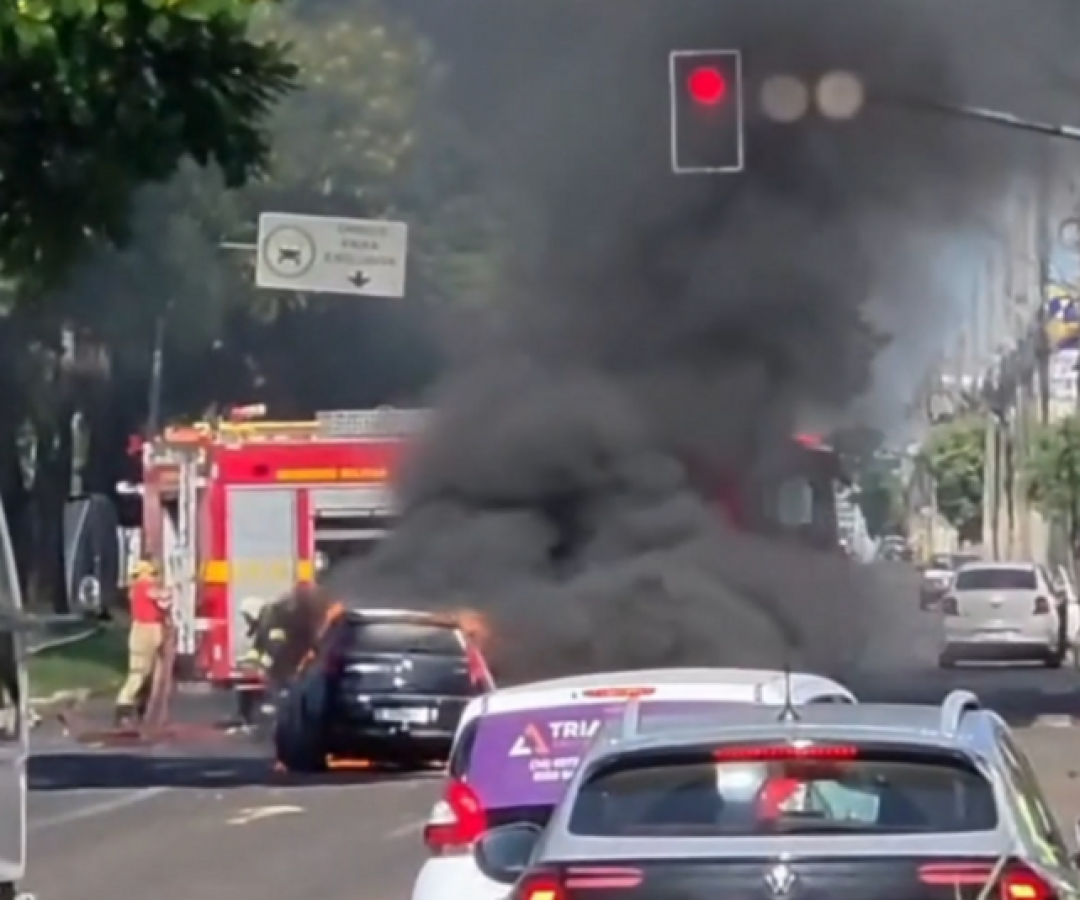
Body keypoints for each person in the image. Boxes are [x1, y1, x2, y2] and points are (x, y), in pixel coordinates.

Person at [114, 559, 170, 727]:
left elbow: (163, 603)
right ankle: (123, 709)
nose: (154, 577)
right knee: (138, 673)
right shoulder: (141, 587)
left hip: (153, 630)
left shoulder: (143, 588)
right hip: (143, 632)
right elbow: (160, 595)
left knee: (152, 675)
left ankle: (143, 710)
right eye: (152, 574)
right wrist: (170, 590)